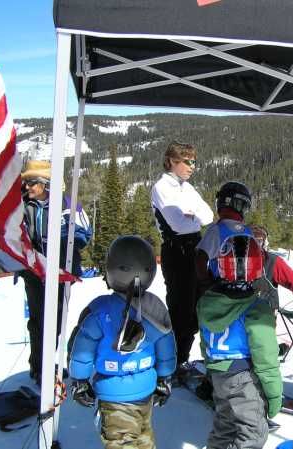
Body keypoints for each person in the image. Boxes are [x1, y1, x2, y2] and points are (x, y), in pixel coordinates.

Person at [69, 236, 176, 449]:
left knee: (122, 442)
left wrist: (79, 380)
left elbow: (82, 349)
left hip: (113, 393)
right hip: (145, 390)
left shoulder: (99, 310)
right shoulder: (155, 309)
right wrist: (165, 377)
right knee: (143, 435)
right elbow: (167, 348)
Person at [197, 234, 282, 449]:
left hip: (219, 375)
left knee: (224, 427)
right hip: (243, 379)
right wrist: (274, 396)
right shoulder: (256, 307)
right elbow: (266, 358)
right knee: (253, 434)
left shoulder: (207, 303)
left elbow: (205, 344)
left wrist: (211, 367)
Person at [20, 160, 92, 384]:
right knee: (38, 320)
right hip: (34, 273)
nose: (27, 187)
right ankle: (39, 367)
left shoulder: (68, 205)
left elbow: (84, 233)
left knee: (56, 319)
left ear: (45, 184)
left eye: (32, 183)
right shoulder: (23, 206)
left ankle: (46, 363)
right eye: (25, 183)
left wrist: (66, 237)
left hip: (60, 272)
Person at [151, 141, 214, 373]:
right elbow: (177, 224)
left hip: (195, 249)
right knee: (181, 308)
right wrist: (191, 216)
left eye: (194, 161)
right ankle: (174, 363)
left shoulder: (187, 188)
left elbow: (207, 215)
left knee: (199, 305)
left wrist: (192, 215)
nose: (192, 166)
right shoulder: (162, 187)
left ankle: (182, 358)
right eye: (187, 161)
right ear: (171, 162)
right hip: (176, 250)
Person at [195, 181, 252, 295]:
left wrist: (205, 284)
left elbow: (199, 258)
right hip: (245, 290)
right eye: (243, 206)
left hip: (221, 290)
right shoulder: (248, 231)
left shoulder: (217, 230)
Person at [249, 224, 293, 312]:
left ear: (264, 243)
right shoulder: (234, 261)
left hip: (265, 313)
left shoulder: (272, 262)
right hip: (239, 313)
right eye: (251, 241)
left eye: (259, 241)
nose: (255, 245)